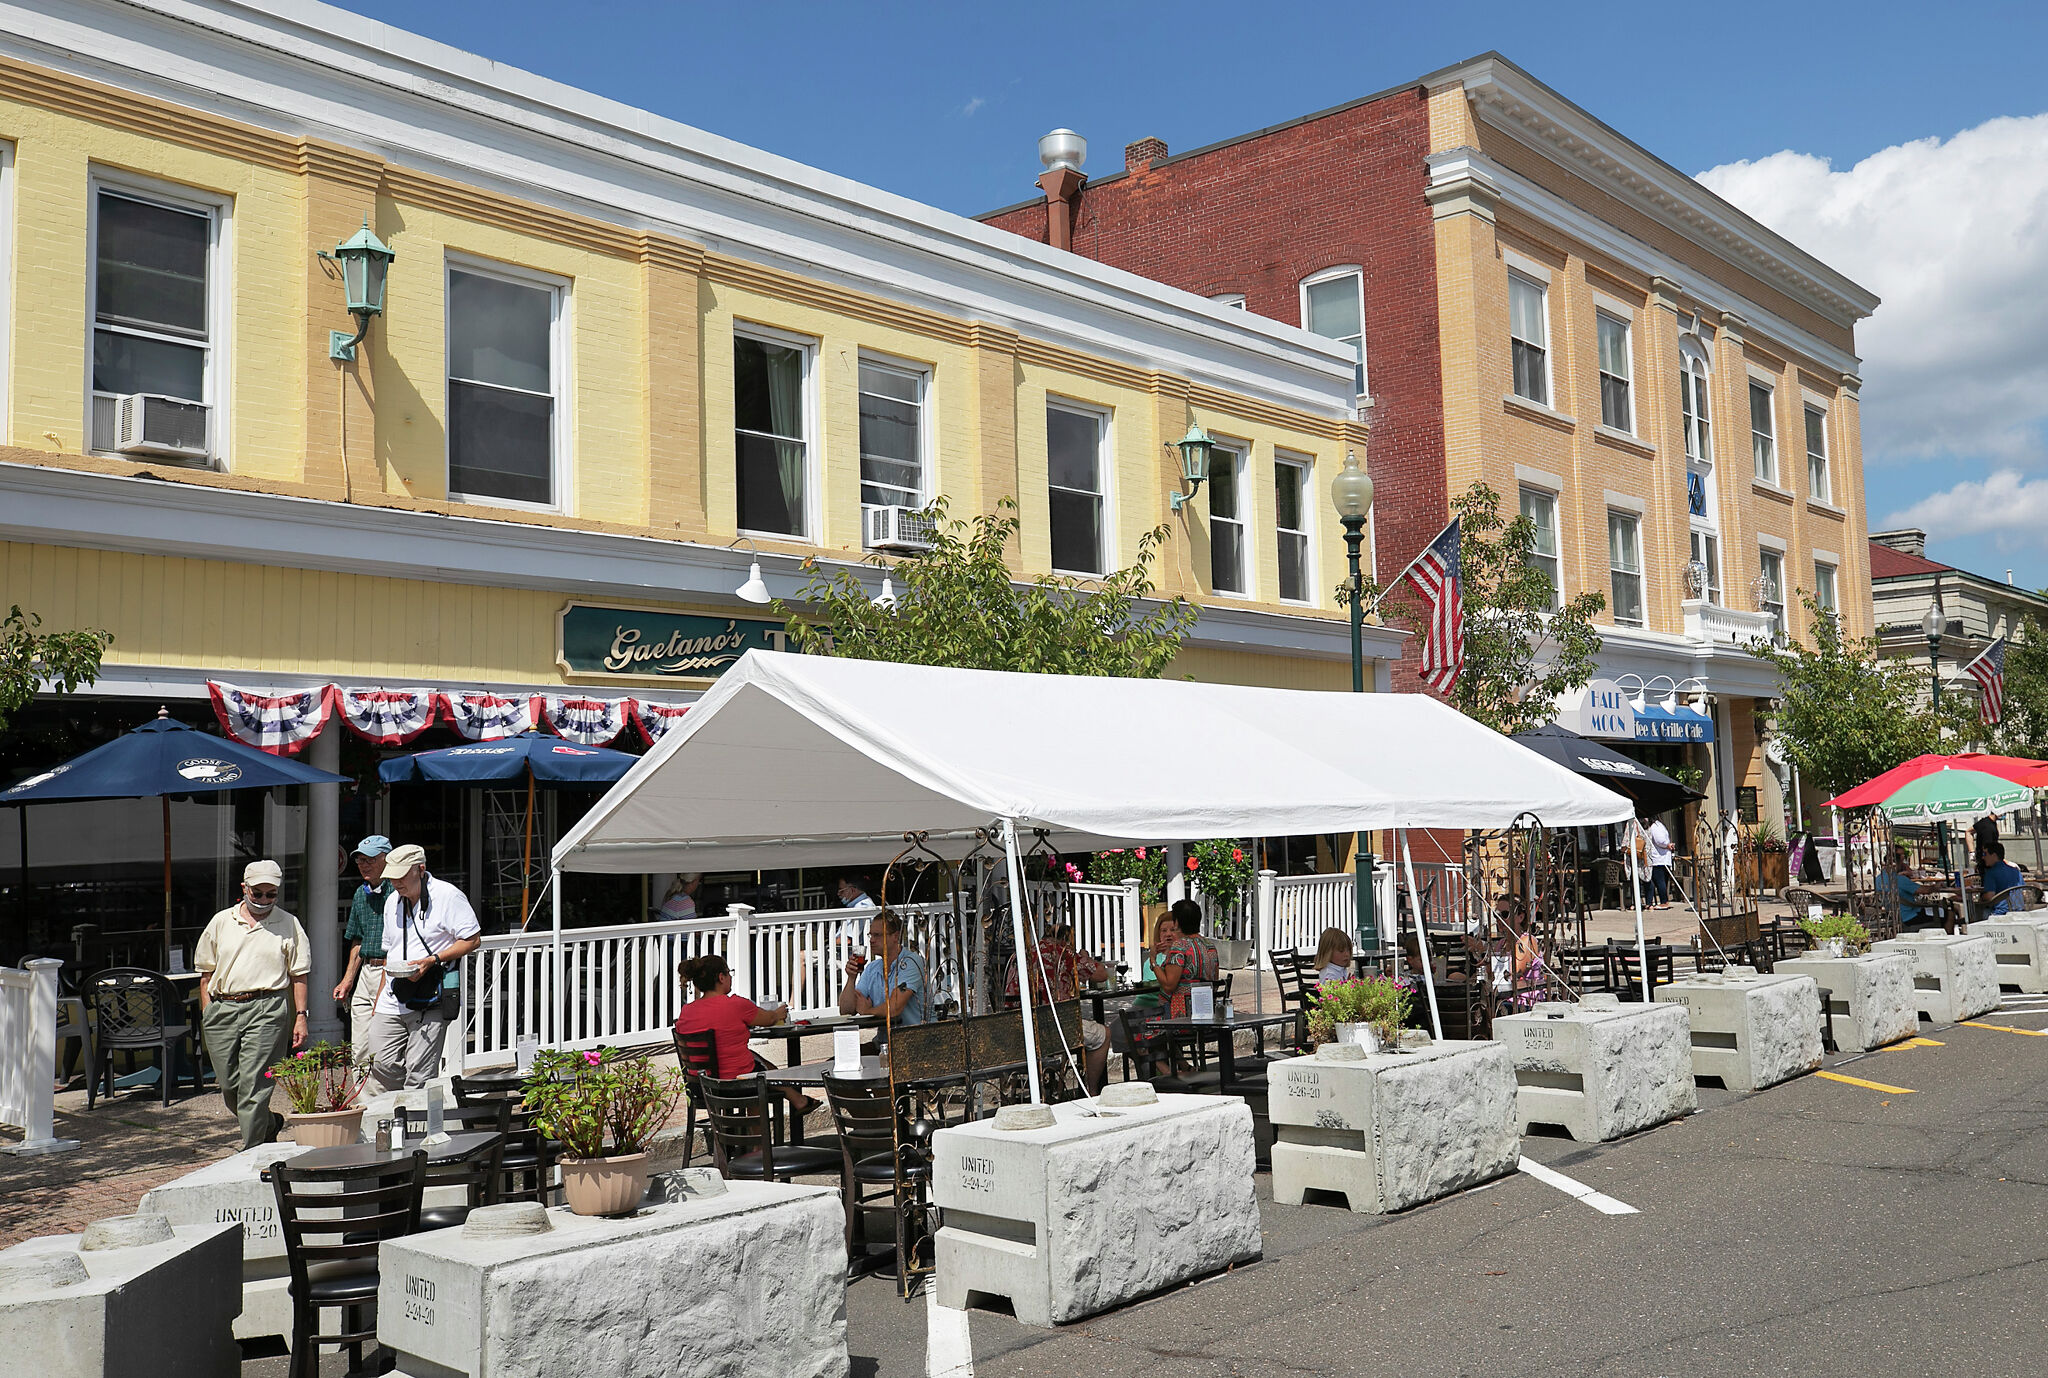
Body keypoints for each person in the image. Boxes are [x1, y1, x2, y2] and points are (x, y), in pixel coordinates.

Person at [195, 860, 311, 1149]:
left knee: (254, 1085)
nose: (263, 900)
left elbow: (299, 974)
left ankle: (252, 1151)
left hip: (267, 1007)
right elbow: (205, 973)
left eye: (270, 894)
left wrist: (300, 1016)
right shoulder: (222, 921)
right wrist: (208, 1010)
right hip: (223, 1008)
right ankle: (269, 1123)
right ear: (244, 888)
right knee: (230, 1087)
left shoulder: (288, 924)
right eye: (257, 893)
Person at [369, 844, 483, 1091]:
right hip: (393, 993)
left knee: (420, 1074)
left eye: (401, 875)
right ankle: (405, 1106)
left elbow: (473, 940)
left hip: (431, 994)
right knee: (379, 1062)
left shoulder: (448, 896)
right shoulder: (391, 901)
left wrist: (433, 959)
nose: (396, 882)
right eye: (392, 876)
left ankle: (413, 1122)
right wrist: (378, 1002)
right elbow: (390, 953)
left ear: (421, 869)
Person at [673, 954, 817, 1116]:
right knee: (761, 1074)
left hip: (699, 1086)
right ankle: (757, 1136)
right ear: (721, 977)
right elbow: (768, 1019)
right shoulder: (735, 1005)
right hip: (735, 1083)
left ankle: (797, 1100)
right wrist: (778, 1013)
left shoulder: (686, 1011)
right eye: (729, 973)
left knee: (753, 1059)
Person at [1005, 922, 1112, 1094]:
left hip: (1018, 1030)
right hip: (1052, 1030)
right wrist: (1085, 957)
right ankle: (1091, 1092)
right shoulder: (1063, 952)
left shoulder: (1020, 954)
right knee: (1103, 1034)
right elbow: (1101, 975)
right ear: (1067, 938)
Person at [331, 835, 393, 1069]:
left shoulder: (398, 893)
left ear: (387, 860)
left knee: (383, 1044)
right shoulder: (360, 893)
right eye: (360, 860)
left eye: (371, 859)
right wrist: (347, 980)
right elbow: (357, 939)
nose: (364, 865)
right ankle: (363, 1101)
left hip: (391, 972)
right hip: (367, 971)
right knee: (359, 1047)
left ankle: (385, 1101)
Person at [838, 910, 931, 1028]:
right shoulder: (872, 968)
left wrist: (867, 1011)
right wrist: (851, 978)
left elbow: (894, 1007)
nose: (871, 940)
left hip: (915, 1038)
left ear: (895, 936)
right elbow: (846, 1011)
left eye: (877, 935)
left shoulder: (911, 963)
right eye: (871, 935)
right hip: (885, 1040)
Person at [1148, 907, 1201, 1020]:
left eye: (1173, 929)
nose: (1168, 934)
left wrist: (1152, 961)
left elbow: (1168, 986)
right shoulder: (1208, 946)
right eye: (1164, 931)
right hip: (1204, 1011)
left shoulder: (1179, 950)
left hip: (1177, 1019)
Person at [1877, 845, 1926, 927]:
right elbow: (1924, 890)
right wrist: (1936, 887)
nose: (1903, 857)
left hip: (1892, 915)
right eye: (1901, 855)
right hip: (1909, 915)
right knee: (1947, 913)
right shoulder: (1898, 879)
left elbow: (1912, 873)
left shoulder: (1879, 878)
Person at [1981, 840, 2026, 915]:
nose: (1983, 857)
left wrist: (1981, 897)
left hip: (2000, 913)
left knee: (1980, 912)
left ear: (1994, 855)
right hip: (2019, 910)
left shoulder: (1991, 873)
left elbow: (1989, 896)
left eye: (1985, 854)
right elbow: (2023, 891)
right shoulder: (2015, 871)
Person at [1643, 814, 1675, 909]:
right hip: (1663, 858)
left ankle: (1664, 901)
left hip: (1659, 859)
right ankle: (1664, 900)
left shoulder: (1654, 827)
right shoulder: (1660, 825)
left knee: (1659, 881)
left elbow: (1659, 840)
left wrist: (1666, 845)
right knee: (1662, 881)